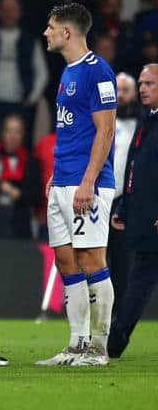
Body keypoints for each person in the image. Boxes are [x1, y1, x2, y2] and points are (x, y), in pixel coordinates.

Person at [36, 3, 117, 366]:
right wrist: (58, 173)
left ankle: (99, 348)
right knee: (66, 259)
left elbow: (106, 129)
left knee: (90, 259)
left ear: (67, 32)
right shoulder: (68, 72)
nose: (46, 32)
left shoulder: (97, 70)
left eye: (51, 27)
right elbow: (72, 129)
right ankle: (76, 344)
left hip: (88, 183)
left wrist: (88, 181)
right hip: (64, 178)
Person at [108, 64, 158, 357]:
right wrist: (125, 206)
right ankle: (116, 340)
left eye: (150, 83)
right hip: (145, 219)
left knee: (138, 282)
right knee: (137, 282)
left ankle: (116, 340)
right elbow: (133, 168)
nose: (143, 89)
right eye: (141, 83)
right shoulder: (147, 122)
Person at [0, 0, 48, 147]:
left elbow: (42, 73)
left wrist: (32, 98)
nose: (8, 13)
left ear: (20, 12)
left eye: (13, 9)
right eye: (4, 9)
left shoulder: (30, 39)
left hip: (22, 103)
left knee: (21, 145)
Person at [108, 72, 140, 319]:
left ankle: (119, 313)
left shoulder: (142, 124)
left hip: (124, 200)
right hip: (99, 195)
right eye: (117, 90)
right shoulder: (102, 121)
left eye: (126, 90)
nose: (120, 95)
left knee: (120, 261)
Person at [0, 114, 42, 239]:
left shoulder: (31, 161)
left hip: (20, 228)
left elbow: (38, 195)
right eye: (9, 131)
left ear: (23, 135)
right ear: (2, 133)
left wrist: (18, 194)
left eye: (17, 132)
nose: (12, 136)